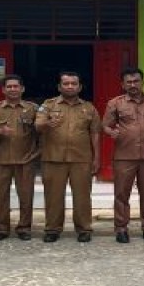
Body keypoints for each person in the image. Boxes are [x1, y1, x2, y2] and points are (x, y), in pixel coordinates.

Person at [102, 67, 144, 244]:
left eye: (136, 81)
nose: (133, 85)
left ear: (142, 82)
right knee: (121, 194)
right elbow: (105, 126)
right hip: (124, 155)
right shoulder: (115, 103)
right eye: (129, 82)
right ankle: (121, 228)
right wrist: (111, 132)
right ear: (122, 84)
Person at [35, 71, 101, 243]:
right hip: (53, 158)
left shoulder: (89, 107)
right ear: (59, 86)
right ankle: (52, 229)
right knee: (53, 196)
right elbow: (37, 125)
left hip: (81, 159)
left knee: (83, 197)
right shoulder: (48, 105)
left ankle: (84, 229)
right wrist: (47, 123)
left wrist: (97, 158)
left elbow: (95, 133)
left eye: (73, 83)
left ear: (79, 87)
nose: (70, 86)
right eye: (66, 83)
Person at [0, 74, 40, 241]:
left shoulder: (33, 108)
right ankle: (1, 229)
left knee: (26, 196)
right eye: (9, 87)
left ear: (22, 89)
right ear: (3, 89)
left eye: (16, 86)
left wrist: (38, 152)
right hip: (1, 160)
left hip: (25, 159)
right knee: (0, 197)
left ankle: (24, 228)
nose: (13, 89)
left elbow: (42, 132)